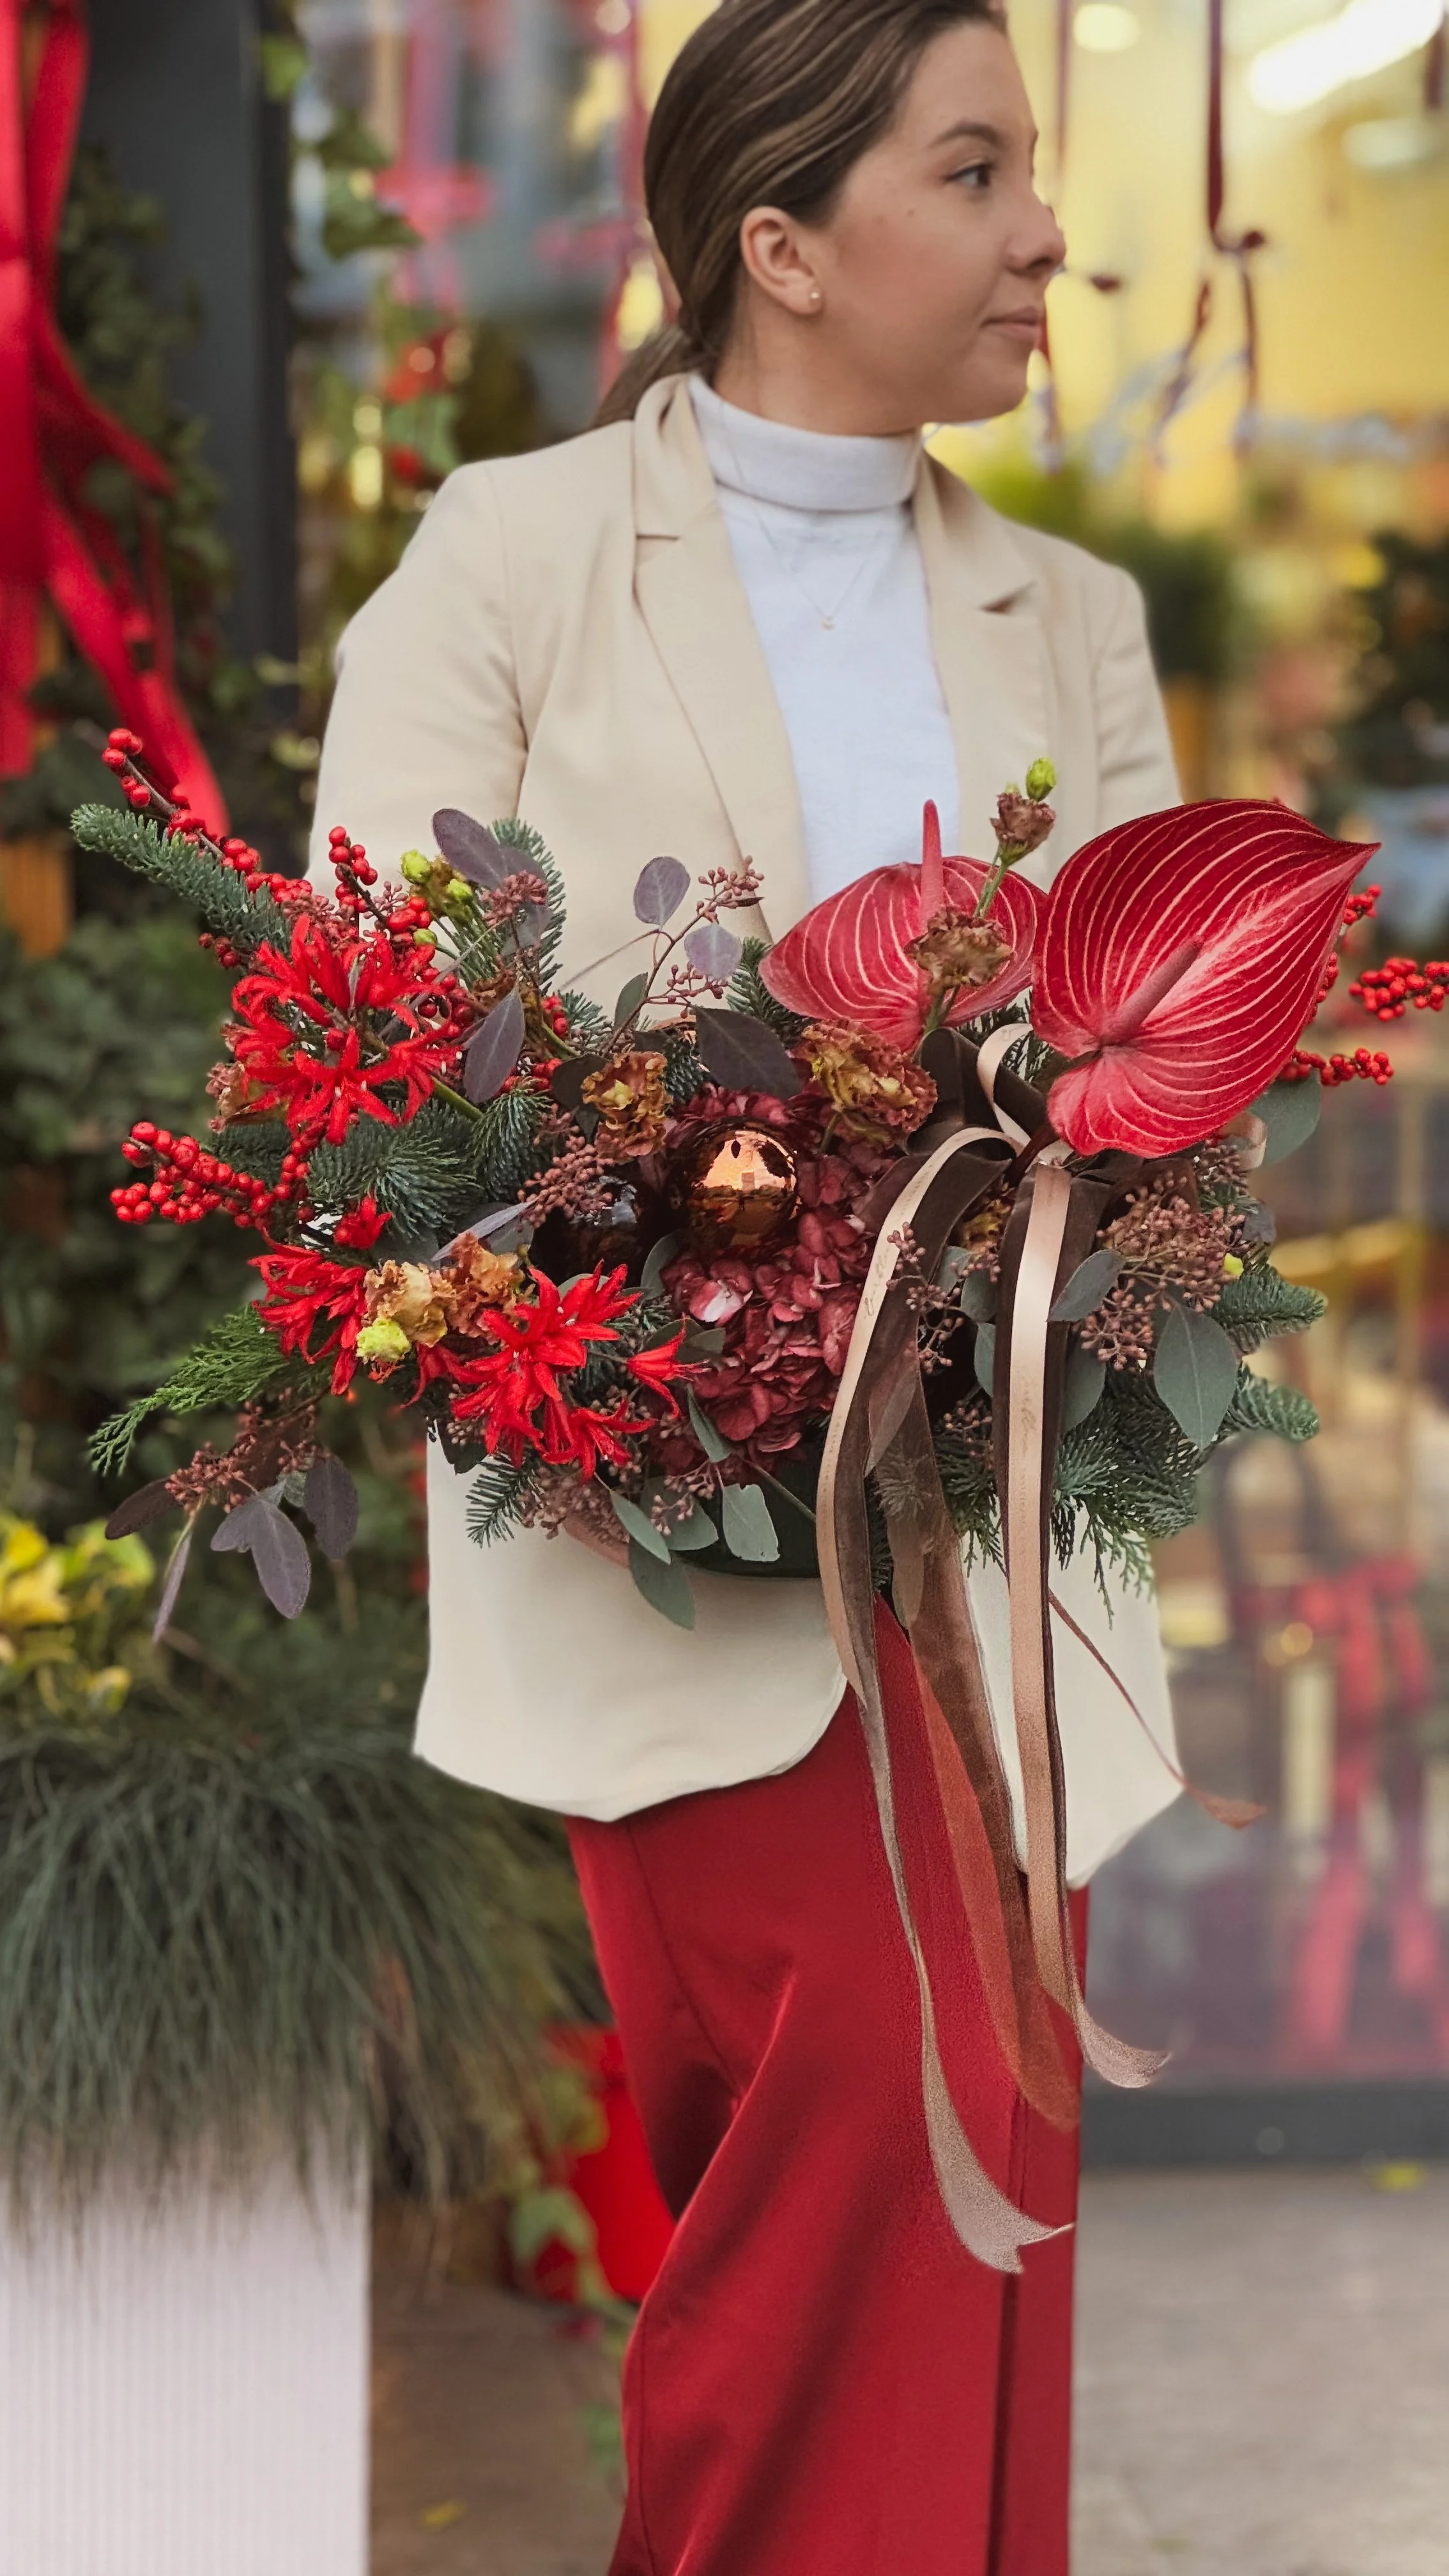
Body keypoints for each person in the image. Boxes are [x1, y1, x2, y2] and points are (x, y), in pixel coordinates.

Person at [311, 3, 1182, 2567]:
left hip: (1006, 1551)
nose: (1044, 234)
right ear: (784, 243)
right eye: (979, 169)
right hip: (669, 1516)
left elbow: (1152, 1061)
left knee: (977, 2196)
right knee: (853, 2182)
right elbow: (379, 1009)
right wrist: (701, 1224)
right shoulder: (513, 552)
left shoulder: (1073, 613)